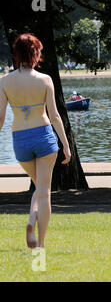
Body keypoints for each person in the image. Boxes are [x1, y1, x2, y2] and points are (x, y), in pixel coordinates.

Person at [0, 33, 71, 249]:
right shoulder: (45, 79)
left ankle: (32, 222)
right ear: (36, 53)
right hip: (44, 135)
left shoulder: (4, 81)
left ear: (16, 53)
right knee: (44, 190)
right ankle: (39, 244)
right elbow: (55, 115)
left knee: (38, 188)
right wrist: (66, 145)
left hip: (20, 138)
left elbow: (0, 118)